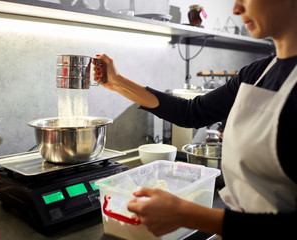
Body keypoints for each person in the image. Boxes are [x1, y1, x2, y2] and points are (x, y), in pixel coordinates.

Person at [92, 0, 297, 239]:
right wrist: (117, 82)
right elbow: (191, 112)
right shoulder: (257, 73)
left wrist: (187, 214)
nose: (236, 9)